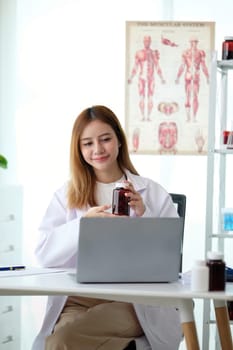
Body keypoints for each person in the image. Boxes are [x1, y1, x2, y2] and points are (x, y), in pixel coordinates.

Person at [32, 105, 183, 350]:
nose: (98, 150)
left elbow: (170, 257)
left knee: (61, 341)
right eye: (88, 143)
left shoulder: (151, 192)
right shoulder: (66, 195)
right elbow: (43, 254)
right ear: (79, 150)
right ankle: (125, 346)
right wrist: (84, 225)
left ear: (119, 142)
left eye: (105, 139)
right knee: (58, 342)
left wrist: (145, 215)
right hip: (79, 299)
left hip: (132, 300)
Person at [128, 35, 166, 121]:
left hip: (151, 78)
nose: (146, 42)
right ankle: (142, 116)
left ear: (150, 42)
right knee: (141, 97)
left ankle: (148, 116)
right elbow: (135, 66)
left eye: (148, 41)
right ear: (143, 42)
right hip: (142, 77)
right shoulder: (139, 53)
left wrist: (162, 78)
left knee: (150, 98)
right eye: (145, 41)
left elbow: (157, 66)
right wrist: (131, 77)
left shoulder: (153, 53)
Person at [175, 37, 209, 122]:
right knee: (187, 96)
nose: (193, 43)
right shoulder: (186, 53)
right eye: (192, 42)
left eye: (195, 42)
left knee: (195, 96)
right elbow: (182, 65)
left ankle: (194, 117)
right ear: (190, 42)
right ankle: (188, 117)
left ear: (197, 43)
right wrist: (178, 77)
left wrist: (207, 76)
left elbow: (203, 66)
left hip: (196, 76)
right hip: (188, 76)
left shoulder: (200, 53)